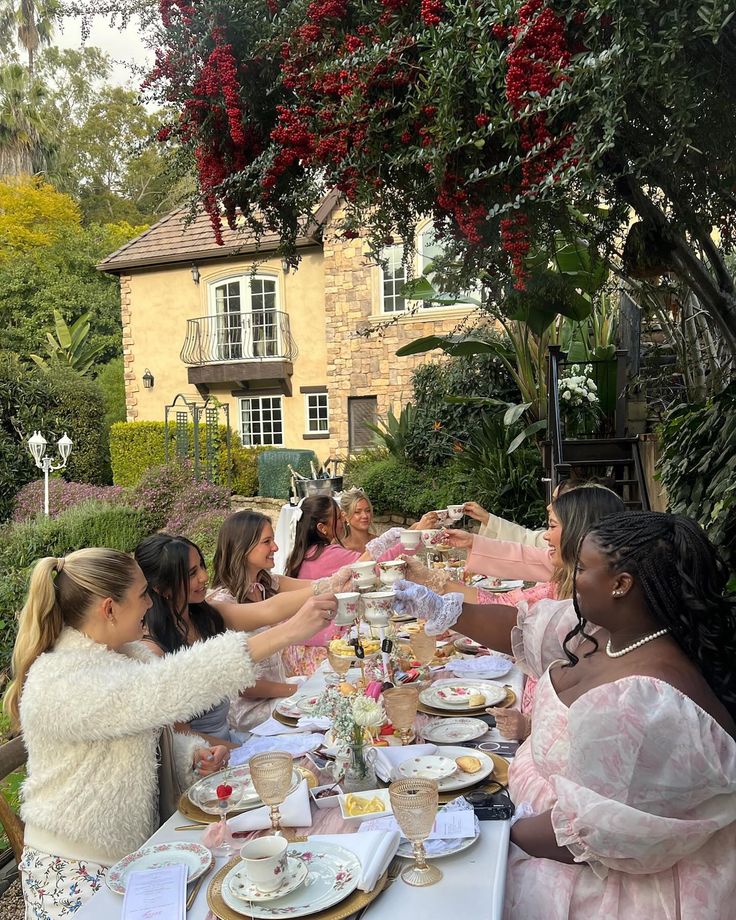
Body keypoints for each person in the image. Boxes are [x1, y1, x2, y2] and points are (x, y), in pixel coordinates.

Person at [5, 548, 336, 918]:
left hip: (126, 856)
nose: (150, 604)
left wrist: (191, 754)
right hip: (74, 868)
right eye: (142, 595)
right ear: (109, 608)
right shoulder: (62, 680)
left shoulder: (121, 655)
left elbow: (137, 734)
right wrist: (288, 632)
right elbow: (166, 688)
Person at [504, 512, 736, 919]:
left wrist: (497, 831)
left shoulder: (642, 701)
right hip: (542, 834)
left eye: (582, 567)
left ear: (621, 585)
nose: (572, 576)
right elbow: (531, 629)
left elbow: (591, 834)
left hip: (609, 887)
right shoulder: (609, 635)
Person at [401, 487, 625, 732]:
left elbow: (510, 616)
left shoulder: (591, 605)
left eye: (551, 526)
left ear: (579, 531)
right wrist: (430, 581)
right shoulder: (563, 580)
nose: (546, 537)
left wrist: (529, 727)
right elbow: (505, 605)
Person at [284, 495, 436, 673]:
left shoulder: (306, 553)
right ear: (322, 528)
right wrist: (416, 535)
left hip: (302, 647)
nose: (342, 520)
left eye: (367, 510)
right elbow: (377, 566)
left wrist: (414, 529)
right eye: (339, 517)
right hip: (322, 651)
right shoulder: (329, 553)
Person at [208, 511, 310, 731]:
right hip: (250, 713)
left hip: (278, 695)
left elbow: (320, 585)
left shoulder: (267, 584)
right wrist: (293, 691)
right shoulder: (222, 603)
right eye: (267, 542)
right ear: (242, 548)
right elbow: (243, 685)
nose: (275, 547)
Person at [339, 487, 376, 553]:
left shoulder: (380, 543)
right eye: (357, 512)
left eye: (367, 510)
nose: (365, 516)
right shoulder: (340, 549)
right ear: (345, 516)